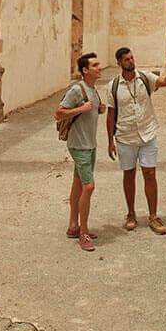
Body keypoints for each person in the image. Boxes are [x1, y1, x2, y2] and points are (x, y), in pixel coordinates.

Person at [105, 46, 166, 235]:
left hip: (148, 134)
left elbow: (164, 82)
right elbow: (110, 115)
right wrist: (110, 141)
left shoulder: (144, 77)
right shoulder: (113, 86)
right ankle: (131, 214)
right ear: (119, 63)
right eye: (126, 59)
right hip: (125, 137)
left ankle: (153, 216)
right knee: (129, 175)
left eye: (132, 58)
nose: (131, 61)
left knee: (150, 174)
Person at [55, 52, 103, 251]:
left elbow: (92, 108)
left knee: (78, 184)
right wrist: (81, 109)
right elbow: (58, 113)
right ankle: (83, 233)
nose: (99, 67)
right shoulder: (77, 89)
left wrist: (98, 109)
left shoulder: (93, 90)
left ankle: (73, 226)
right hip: (79, 146)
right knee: (88, 187)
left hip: (90, 145)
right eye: (95, 65)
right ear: (85, 70)